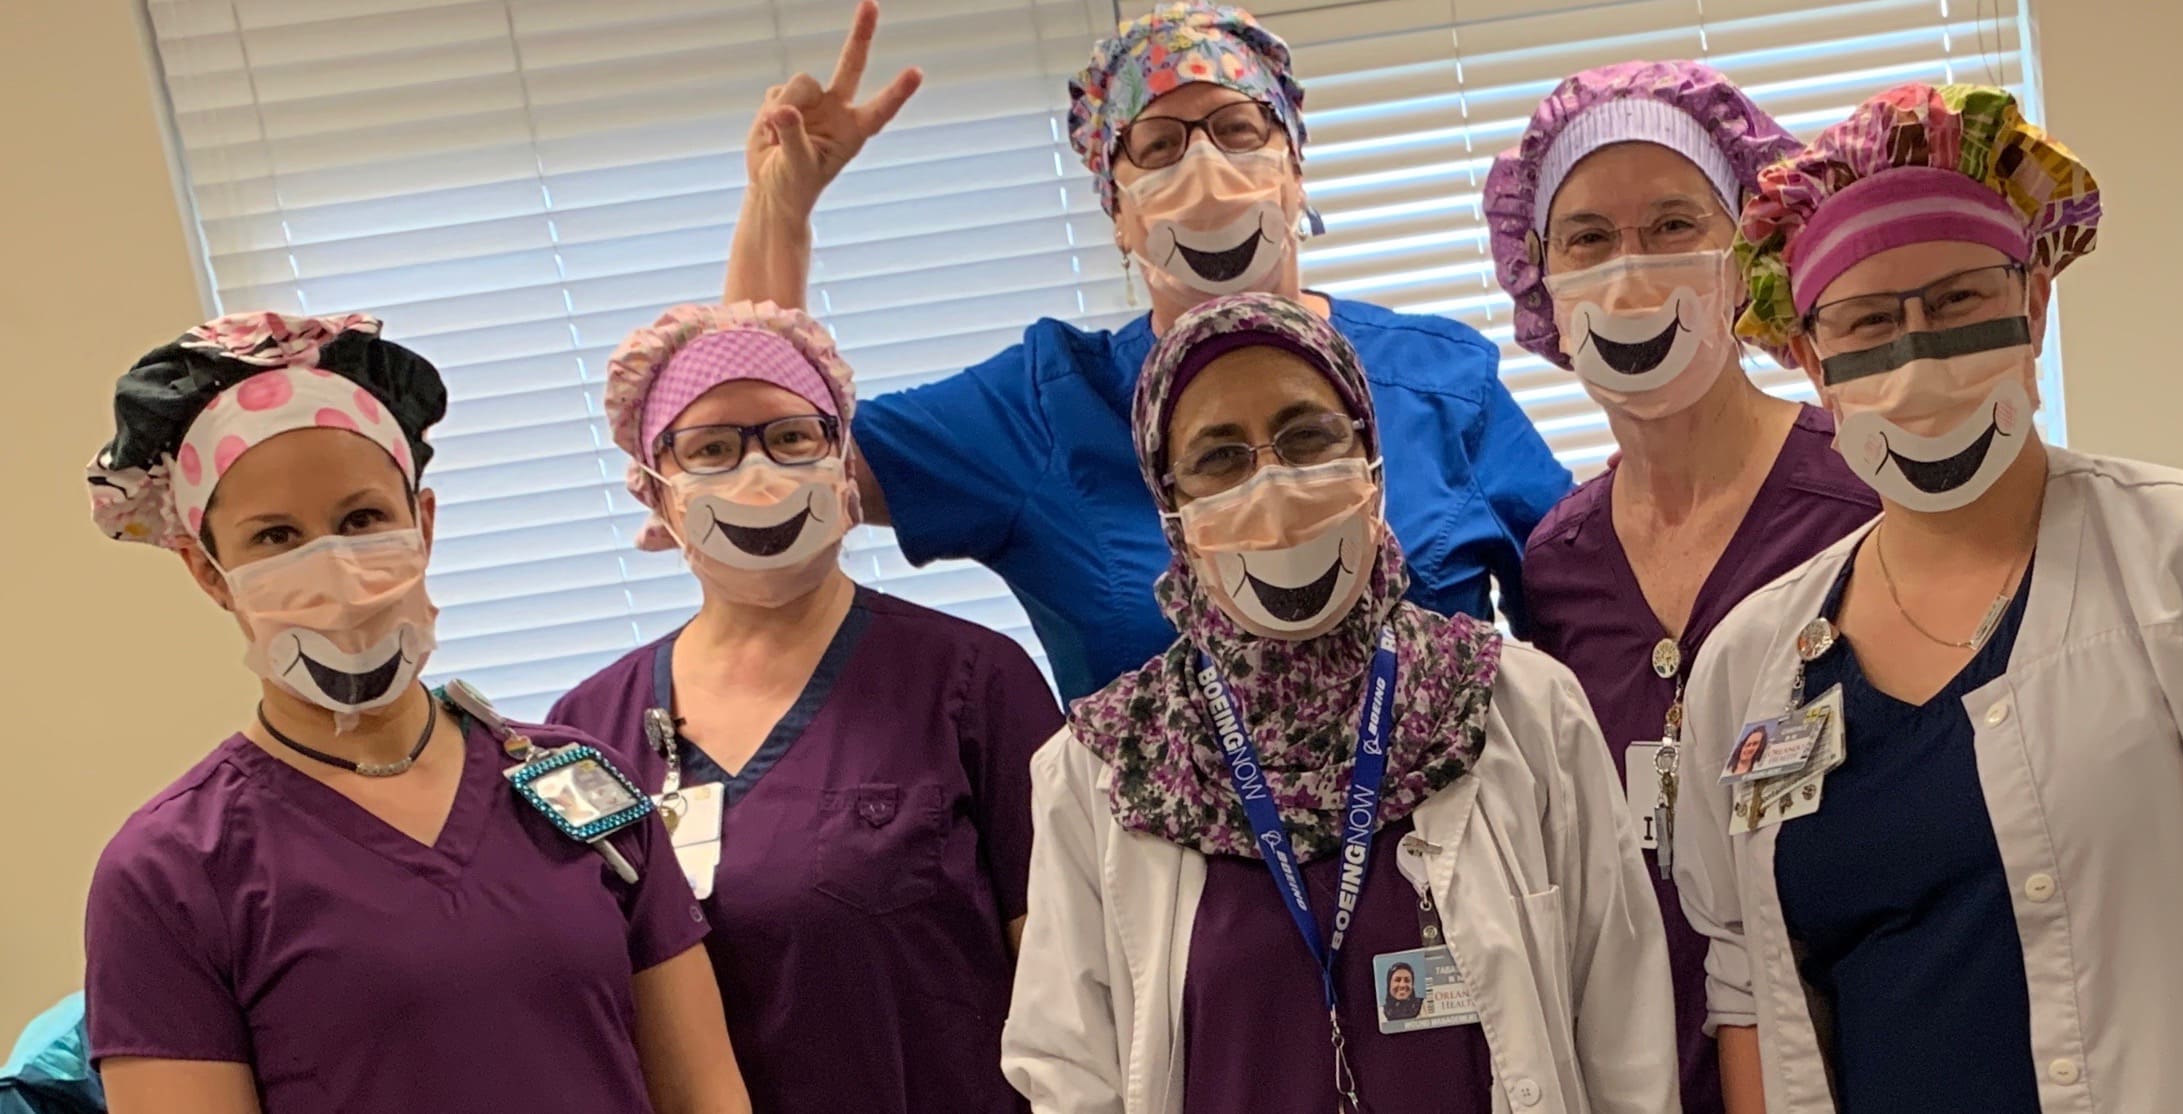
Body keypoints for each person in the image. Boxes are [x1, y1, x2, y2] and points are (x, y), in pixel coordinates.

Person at [1669, 84, 2183, 1114]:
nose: (1919, 359)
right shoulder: (1750, 663)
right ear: (1809, 358)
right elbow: (1748, 983)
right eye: (1865, 322)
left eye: (1956, 302)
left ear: (2032, 302)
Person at [725, 1, 1572, 699]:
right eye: (1158, 145)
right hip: (1175, 889)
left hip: (1462, 866)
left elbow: (1585, 607)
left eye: (1237, 128)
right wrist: (778, 213)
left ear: (1294, 170)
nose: (1203, 165)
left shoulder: (1438, 379)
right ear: (1118, 211)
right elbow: (762, 466)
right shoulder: (1045, 405)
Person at [1002, 293, 1674, 1114]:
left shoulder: (1513, 705)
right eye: (1219, 458)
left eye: (1307, 436)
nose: (1274, 483)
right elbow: (1070, 1078)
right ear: (1169, 504)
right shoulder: (1106, 770)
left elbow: (1624, 1029)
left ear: (1369, 453)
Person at [79, 312, 749, 1114]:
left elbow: (705, 1096)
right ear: (208, 571)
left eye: (362, 520)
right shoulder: (174, 871)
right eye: (274, 536)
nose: (331, 565)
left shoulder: (580, 786)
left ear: (421, 524)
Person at [546, 302, 1062, 1114]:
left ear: (842, 456)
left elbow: (1069, 987)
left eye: (792, 436)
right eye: (710, 448)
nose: (759, 474)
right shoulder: (585, 734)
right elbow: (584, 999)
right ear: (655, 489)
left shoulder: (972, 681)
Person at [1483, 61, 1881, 1113]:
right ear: (1539, 276)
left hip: (1869, 1040)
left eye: (1671, 226)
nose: (1629, 275)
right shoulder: (1558, 561)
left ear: (1748, 250)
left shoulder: (1863, 491)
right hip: (1657, 1064)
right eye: (1588, 239)